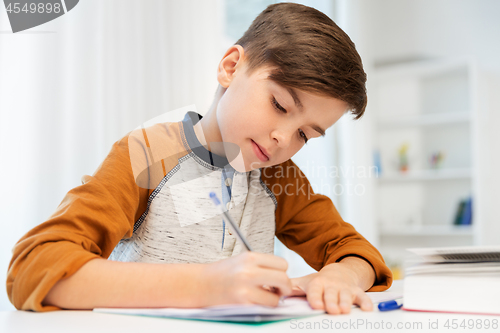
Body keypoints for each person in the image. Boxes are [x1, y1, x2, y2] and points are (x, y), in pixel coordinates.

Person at [7, 2, 392, 315]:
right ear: (230, 68)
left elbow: (359, 254)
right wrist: (209, 286)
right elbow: (33, 268)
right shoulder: (147, 155)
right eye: (279, 104)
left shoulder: (277, 177)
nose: (282, 139)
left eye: (305, 135)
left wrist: (344, 276)